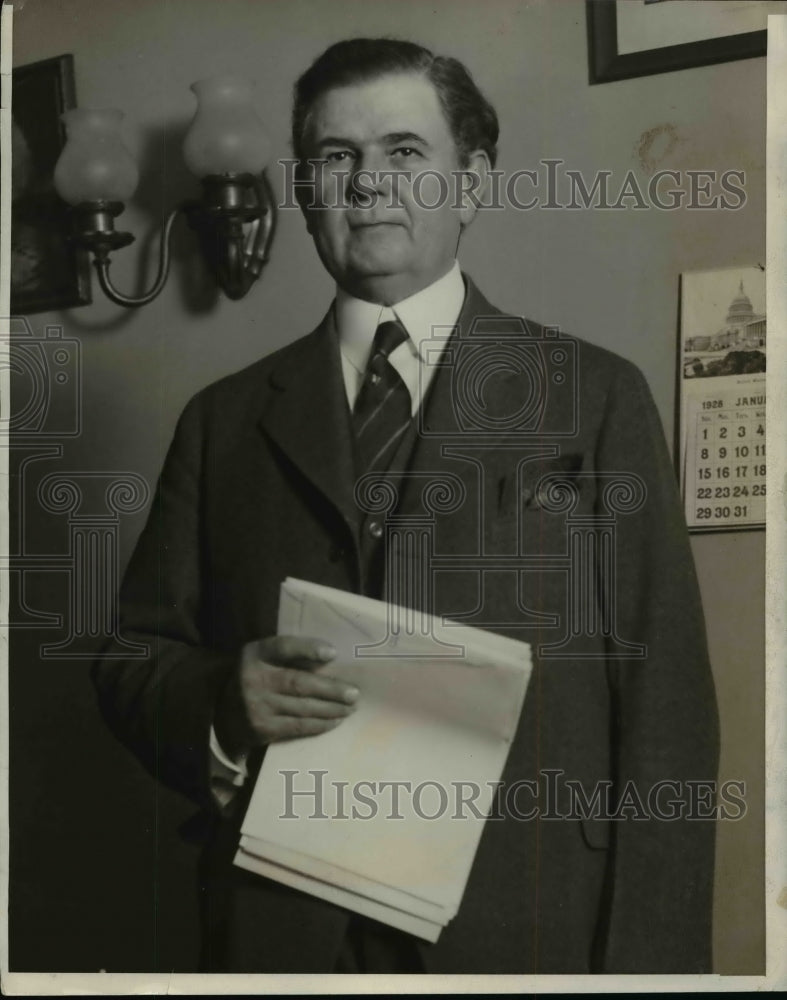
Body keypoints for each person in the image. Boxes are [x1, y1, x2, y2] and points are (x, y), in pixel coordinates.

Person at [93, 37, 719, 974]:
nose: (368, 185)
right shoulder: (222, 422)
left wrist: (653, 968)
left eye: (404, 152)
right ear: (305, 194)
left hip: (529, 928)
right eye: (336, 158)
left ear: (470, 184)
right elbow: (134, 658)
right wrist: (224, 700)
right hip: (281, 934)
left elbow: (665, 709)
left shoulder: (595, 398)